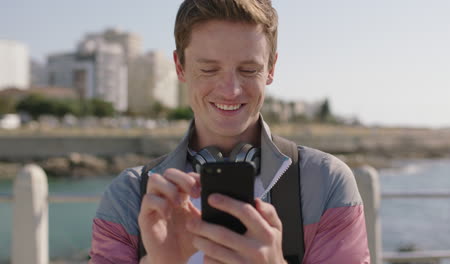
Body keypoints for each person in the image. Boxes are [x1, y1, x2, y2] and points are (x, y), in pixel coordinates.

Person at [89, 0, 370, 263]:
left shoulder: (327, 183)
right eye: (209, 70)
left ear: (271, 68)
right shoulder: (128, 197)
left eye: (248, 70)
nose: (231, 90)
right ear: (180, 67)